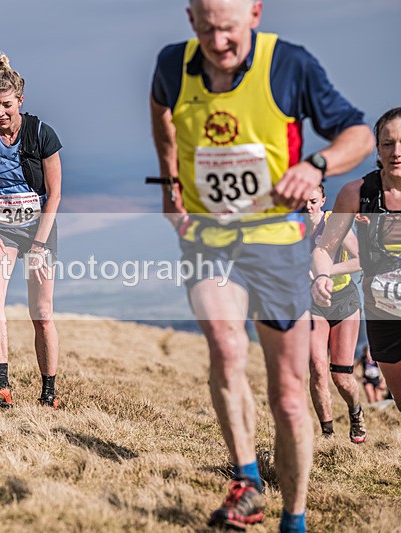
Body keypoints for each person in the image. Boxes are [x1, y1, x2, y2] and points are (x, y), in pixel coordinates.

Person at [149, 0, 373, 531]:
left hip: (278, 242)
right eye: (206, 30)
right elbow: (161, 111)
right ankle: (248, 482)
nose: (218, 43)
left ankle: (293, 519)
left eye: (227, 30)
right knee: (226, 346)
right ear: (190, 20)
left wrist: (314, 163)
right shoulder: (171, 65)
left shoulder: (288, 65)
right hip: (210, 237)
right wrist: (168, 183)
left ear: (254, 12)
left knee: (290, 396)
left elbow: (359, 135)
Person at [0, 53, 63, 409]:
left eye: (6, 105)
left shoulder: (41, 134)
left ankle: (48, 396)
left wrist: (38, 245)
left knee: (42, 313)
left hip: (39, 227)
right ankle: (2, 385)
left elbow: (55, 194)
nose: (0, 113)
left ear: (21, 99)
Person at [313, 107, 401, 413]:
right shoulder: (357, 193)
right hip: (384, 315)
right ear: (378, 148)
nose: (396, 152)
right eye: (388, 143)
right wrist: (323, 275)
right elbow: (325, 247)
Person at [306, 185, 366, 443]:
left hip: (343, 302)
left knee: (341, 377)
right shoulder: (290, 229)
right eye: (303, 202)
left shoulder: (334, 223)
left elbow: (362, 260)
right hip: (311, 305)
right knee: (317, 368)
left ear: (323, 200)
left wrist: (325, 271)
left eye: (313, 201)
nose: (308, 207)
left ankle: (355, 412)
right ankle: (327, 434)